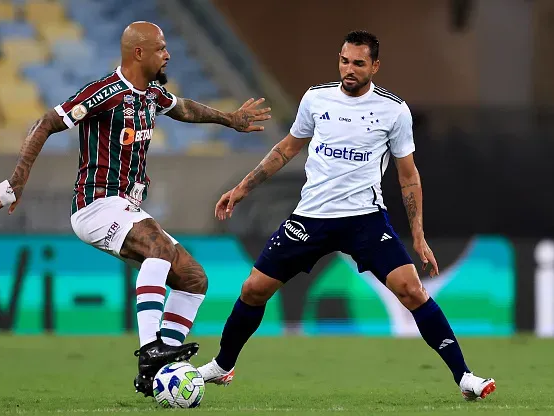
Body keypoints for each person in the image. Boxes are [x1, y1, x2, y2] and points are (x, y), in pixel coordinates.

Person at [197, 30, 495, 401]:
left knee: (412, 290)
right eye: (344, 60)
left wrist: (418, 234)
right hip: (311, 217)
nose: (348, 69)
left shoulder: (394, 110)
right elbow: (287, 148)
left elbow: (408, 175)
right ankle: (224, 365)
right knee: (253, 289)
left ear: (375, 66)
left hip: (364, 221)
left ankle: (464, 376)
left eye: (358, 63)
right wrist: (243, 188)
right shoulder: (316, 98)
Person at [0, 21, 271, 398]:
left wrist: (228, 119)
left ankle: (157, 373)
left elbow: (183, 108)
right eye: (162, 48)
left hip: (126, 207)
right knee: (159, 248)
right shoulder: (105, 93)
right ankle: (152, 350)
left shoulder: (151, 93)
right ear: (139, 52)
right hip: (95, 205)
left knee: (194, 279)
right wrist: (16, 182)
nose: (168, 54)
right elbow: (45, 123)